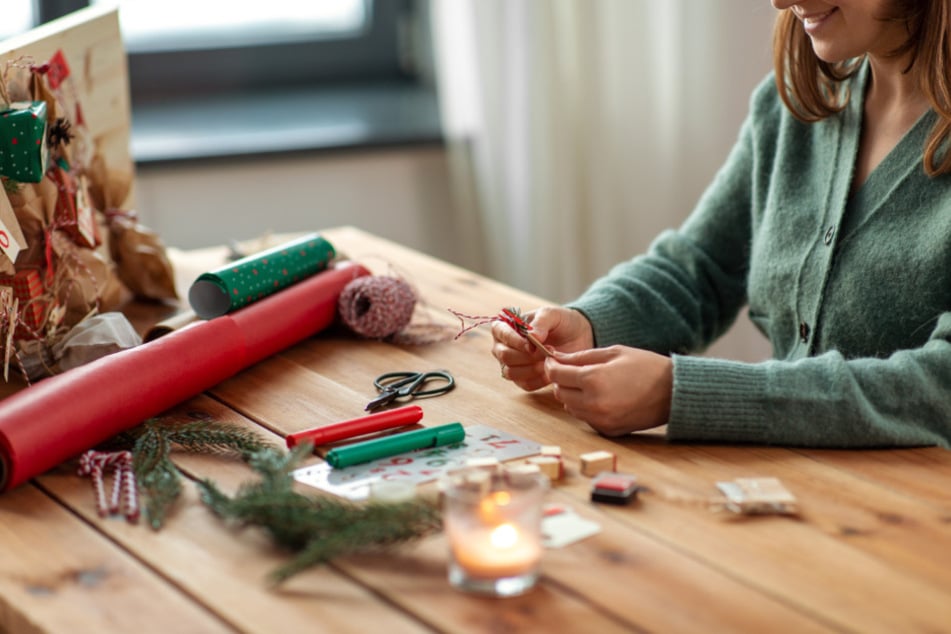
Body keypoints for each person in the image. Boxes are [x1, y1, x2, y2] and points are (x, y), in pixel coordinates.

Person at [491, 0, 951, 449]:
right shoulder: (790, 104)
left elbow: (940, 384)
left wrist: (684, 392)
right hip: (794, 494)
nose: (782, 2)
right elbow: (701, 266)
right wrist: (590, 324)